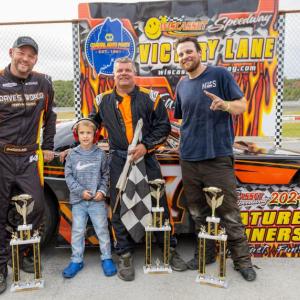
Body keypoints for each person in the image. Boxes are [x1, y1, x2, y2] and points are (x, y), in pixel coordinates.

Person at [90, 57, 187, 281]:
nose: (123, 73)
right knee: (118, 207)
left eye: (127, 70)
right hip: (118, 160)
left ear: (134, 73)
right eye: (119, 71)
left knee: (158, 204)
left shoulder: (150, 98)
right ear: (113, 74)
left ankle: (169, 249)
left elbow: (164, 126)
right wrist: (77, 145)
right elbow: (91, 125)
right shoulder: (101, 100)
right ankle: (124, 253)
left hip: (147, 158)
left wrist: (146, 146)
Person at [174, 37, 256, 281]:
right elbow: (182, 119)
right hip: (189, 159)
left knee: (229, 213)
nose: (185, 56)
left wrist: (224, 106)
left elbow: (242, 105)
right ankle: (206, 254)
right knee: (198, 213)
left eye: (189, 51)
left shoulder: (219, 75)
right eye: (180, 54)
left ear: (199, 53)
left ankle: (243, 262)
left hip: (217, 158)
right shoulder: (181, 85)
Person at [0, 36, 57, 293]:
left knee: (35, 208)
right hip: (2, 155)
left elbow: (51, 116)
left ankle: (23, 254)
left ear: (35, 59)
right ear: (11, 52)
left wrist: (48, 146)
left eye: (31, 56)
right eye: (21, 53)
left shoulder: (43, 82)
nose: (25, 59)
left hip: (30, 156)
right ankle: (1, 267)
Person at [62, 118, 117, 278]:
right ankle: (76, 260)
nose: (85, 136)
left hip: (97, 202)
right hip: (79, 202)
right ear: (76, 134)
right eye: (82, 133)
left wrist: (102, 191)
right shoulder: (72, 155)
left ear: (95, 134)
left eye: (88, 133)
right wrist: (80, 192)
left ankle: (106, 258)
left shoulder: (100, 154)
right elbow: (69, 176)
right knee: (78, 231)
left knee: (102, 230)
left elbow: (106, 175)